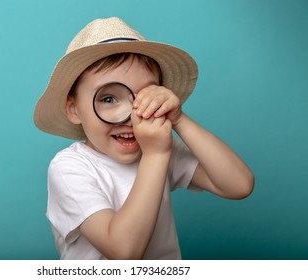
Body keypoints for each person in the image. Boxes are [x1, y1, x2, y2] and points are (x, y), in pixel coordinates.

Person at [34, 17, 254, 260]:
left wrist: (179, 119)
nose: (131, 115)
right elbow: (123, 251)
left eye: (145, 96)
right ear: (74, 109)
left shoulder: (156, 146)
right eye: (108, 99)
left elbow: (240, 185)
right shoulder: (69, 168)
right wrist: (156, 155)